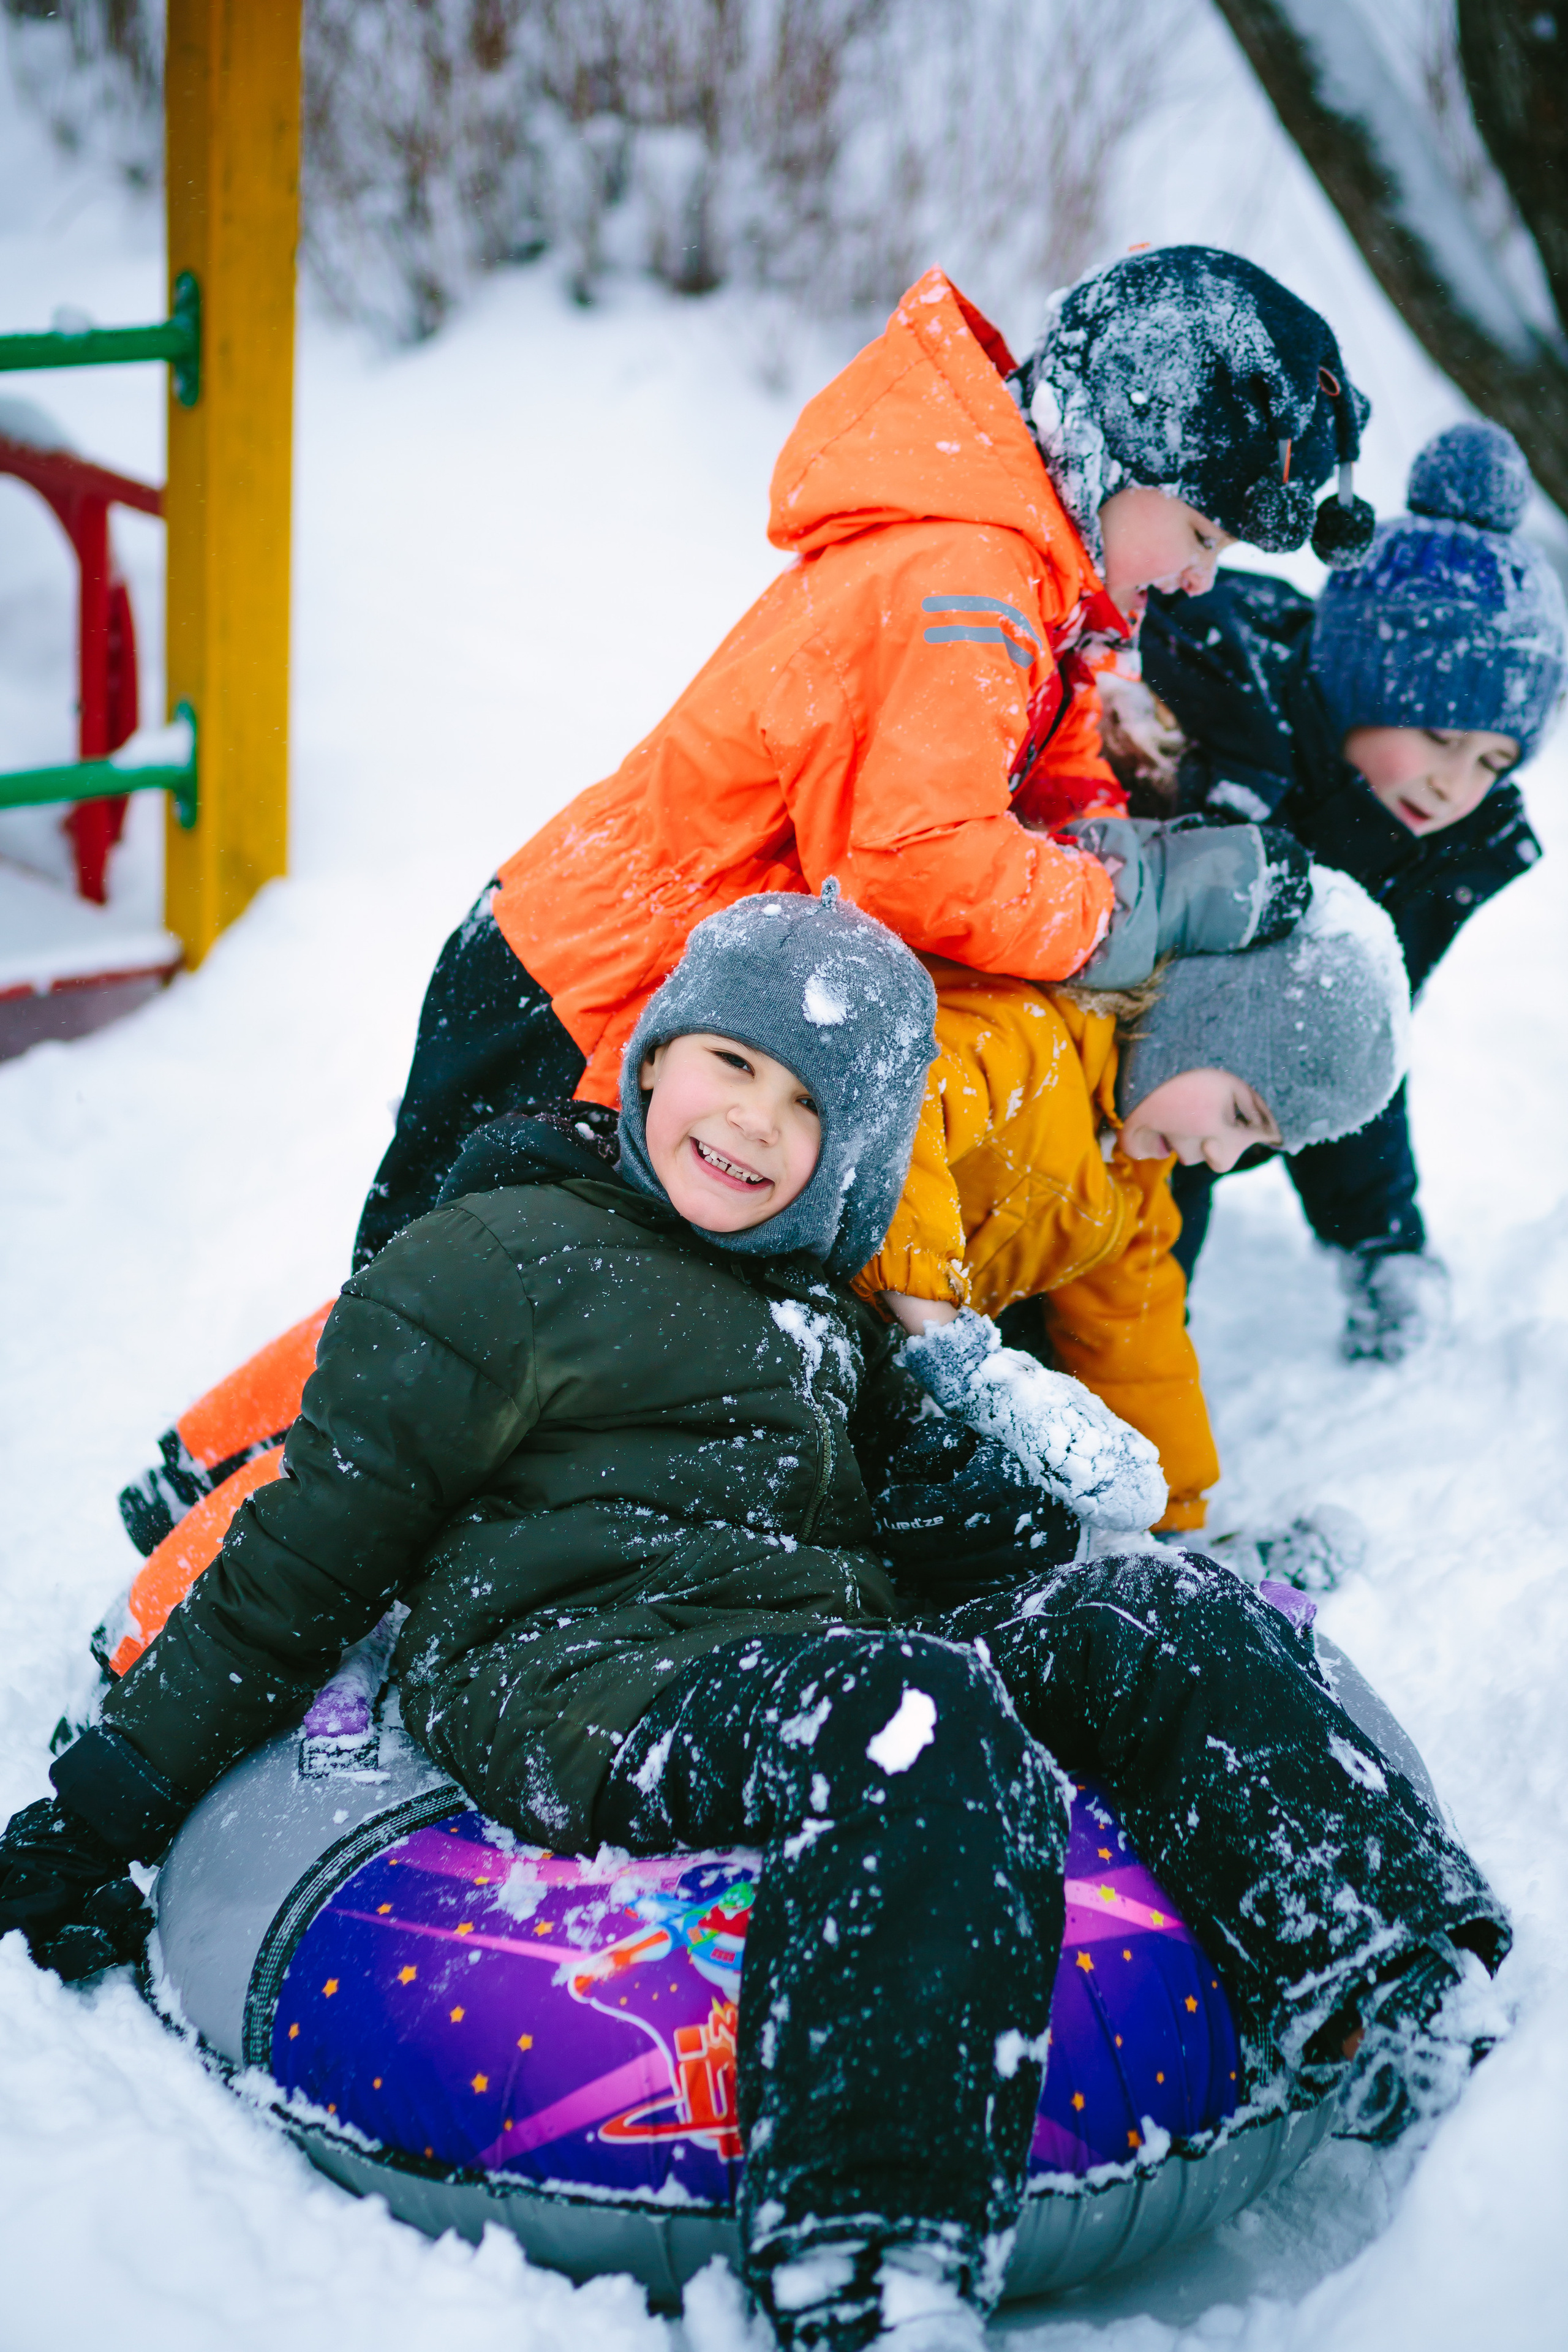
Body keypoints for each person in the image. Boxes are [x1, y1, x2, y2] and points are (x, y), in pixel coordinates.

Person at [2, 891, 1504, 2352]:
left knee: (1153, 1602)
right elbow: (293, 1567)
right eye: (731, 1063)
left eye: (807, 1103)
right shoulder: (495, 1258)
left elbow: (896, 1558)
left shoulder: (819, 1313)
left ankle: (1389, 1973)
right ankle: (868, 2236)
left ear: (848, 1150)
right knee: (905, 1715)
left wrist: (990, 1486)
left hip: (795, 1651)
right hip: (588, 1676)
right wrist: (94, 1816)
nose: (751, 1123)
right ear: (655, 1058)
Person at [352, 244, 1374, 1269]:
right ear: (1114, 453)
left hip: (671, 998)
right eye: (1201, 534)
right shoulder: (966, 577)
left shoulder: (1042, 589)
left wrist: (1108, 844)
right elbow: (917, 859)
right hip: (583, 994)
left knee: (520, 1352)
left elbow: (1036, 787)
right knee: (436, 1331)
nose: (1202, 579)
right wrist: (1126, 905)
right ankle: (232, 1442)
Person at [1109, 420, 1566, 1360]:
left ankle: (1365, 1249)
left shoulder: (1432, 843)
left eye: (1492, 760)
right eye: (1437, 736)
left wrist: (1382, 1235)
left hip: (1212, 1111)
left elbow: (1344, 1043)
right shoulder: (1219, 727)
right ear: (1360, 681)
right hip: (1127, 1046)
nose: (1455, 785)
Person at [863, 863, 1409, 1537]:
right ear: (1194, 1023)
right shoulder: (1024, 1038)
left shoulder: (1125, 1166)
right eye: (1240, 1114)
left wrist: (1171, 1516)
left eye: (1256, 1146)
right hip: (787, 1306)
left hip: (890, 1361)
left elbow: (1135, 1331)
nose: (1221, 1157)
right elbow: (887, 1110)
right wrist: (939, 1329)